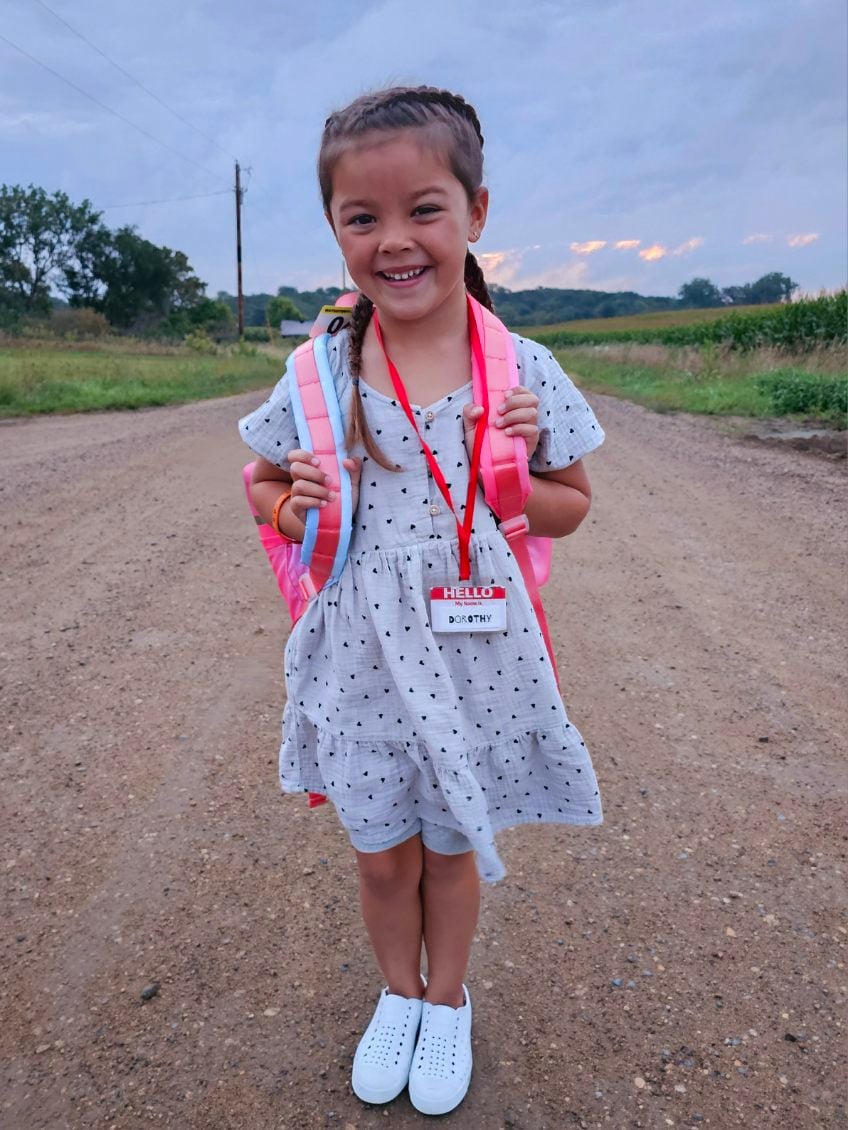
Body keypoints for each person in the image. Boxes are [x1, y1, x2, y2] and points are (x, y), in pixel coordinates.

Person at [238, 85, 605, 1117]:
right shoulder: (318, 373)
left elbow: (571, 505)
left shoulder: (524, 371)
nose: (394, 240)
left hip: (474, 660)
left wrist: (512, 485)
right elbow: (261, 488)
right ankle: (394, 993)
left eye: (423, 209)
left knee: (449, 851)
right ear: (336, 229)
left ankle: (447, 1000)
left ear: (475, 213)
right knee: (378, 852)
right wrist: (289, 495)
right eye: (363, 216)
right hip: (359, 659)